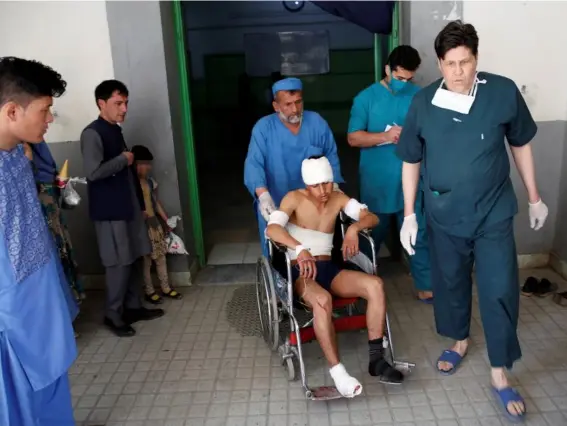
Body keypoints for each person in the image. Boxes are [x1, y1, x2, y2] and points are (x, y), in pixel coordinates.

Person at [396, 21, 549, 422]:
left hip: (493, 211)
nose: (458, 72)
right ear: (440, 63)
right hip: (444, 213)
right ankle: (460, 340)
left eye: (465, 62)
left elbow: (521, 144)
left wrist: (534, 197)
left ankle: (500, 372)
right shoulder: (424, 103)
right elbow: (411, 159)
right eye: (450, 64)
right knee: (450, 282)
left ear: (476, 59)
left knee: (499, 287)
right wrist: (410, 214)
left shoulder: (501, 92)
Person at [266, 156, 404, 398]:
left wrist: (353, 228)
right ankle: (338, 373)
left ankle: (376, 360)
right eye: (316, 185)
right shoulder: (294, 198)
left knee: (375, 285)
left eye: (327, 183)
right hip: (302, 272)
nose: (323, 191)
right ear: (307, 184)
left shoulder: (338, 198)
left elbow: (371, 217)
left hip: (329, 269)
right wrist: (299, 248)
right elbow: (272, 229)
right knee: (323, 301)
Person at [0, 56, 77, 425]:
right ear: (12, 110)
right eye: (45, 110)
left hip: (40, 305)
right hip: (9, 318)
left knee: (50, 393)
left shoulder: (16, 156)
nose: (50, 119)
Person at [347, 45, 433, 303]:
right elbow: (353, 137)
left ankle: (425, 285)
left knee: (419, 232)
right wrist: (384, 136)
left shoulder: (419, 96)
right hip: (378, 180)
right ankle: (360, 283)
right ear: (387, 69)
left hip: (413, 179)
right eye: (399, 78)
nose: (404, 84)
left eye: (409, 79)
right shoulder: (366, 98)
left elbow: (431, 131)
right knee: (373, 233)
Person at [80, 80, 164, 337]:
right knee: (117, 263)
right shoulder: (92, 133)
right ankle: (113, 314)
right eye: (118, 103)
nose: (124, 108)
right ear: (101, 103)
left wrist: (139, 205)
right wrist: (122, 159)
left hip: (128, 209)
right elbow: (93, 173)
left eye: (126, 103)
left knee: (134, 257)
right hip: (110, 212)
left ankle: (133, 306)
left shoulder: (115, 130)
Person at [244, 77, 344, 256]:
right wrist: (263, 195)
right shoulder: (263, 128)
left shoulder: (317, 123)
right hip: (276, 201)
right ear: (276, 106)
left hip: (313, 203)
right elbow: (254, 164)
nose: (295, 109)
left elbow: (331, 156)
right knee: (279, 252)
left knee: (316, 251)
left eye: (298, 102)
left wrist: (334, 186)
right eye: (288, 104)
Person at [131, 144, 183, 304]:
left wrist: (165, 219)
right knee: (147, 261)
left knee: (160, 258)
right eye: (144, 163)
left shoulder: (149, 182)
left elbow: (155, 202)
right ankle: (149, 291)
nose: (148, 167)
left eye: (148, 163)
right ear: (135, 164)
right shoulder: (131, 184)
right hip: (142, 227)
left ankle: (165, 287)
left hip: (154, 225)